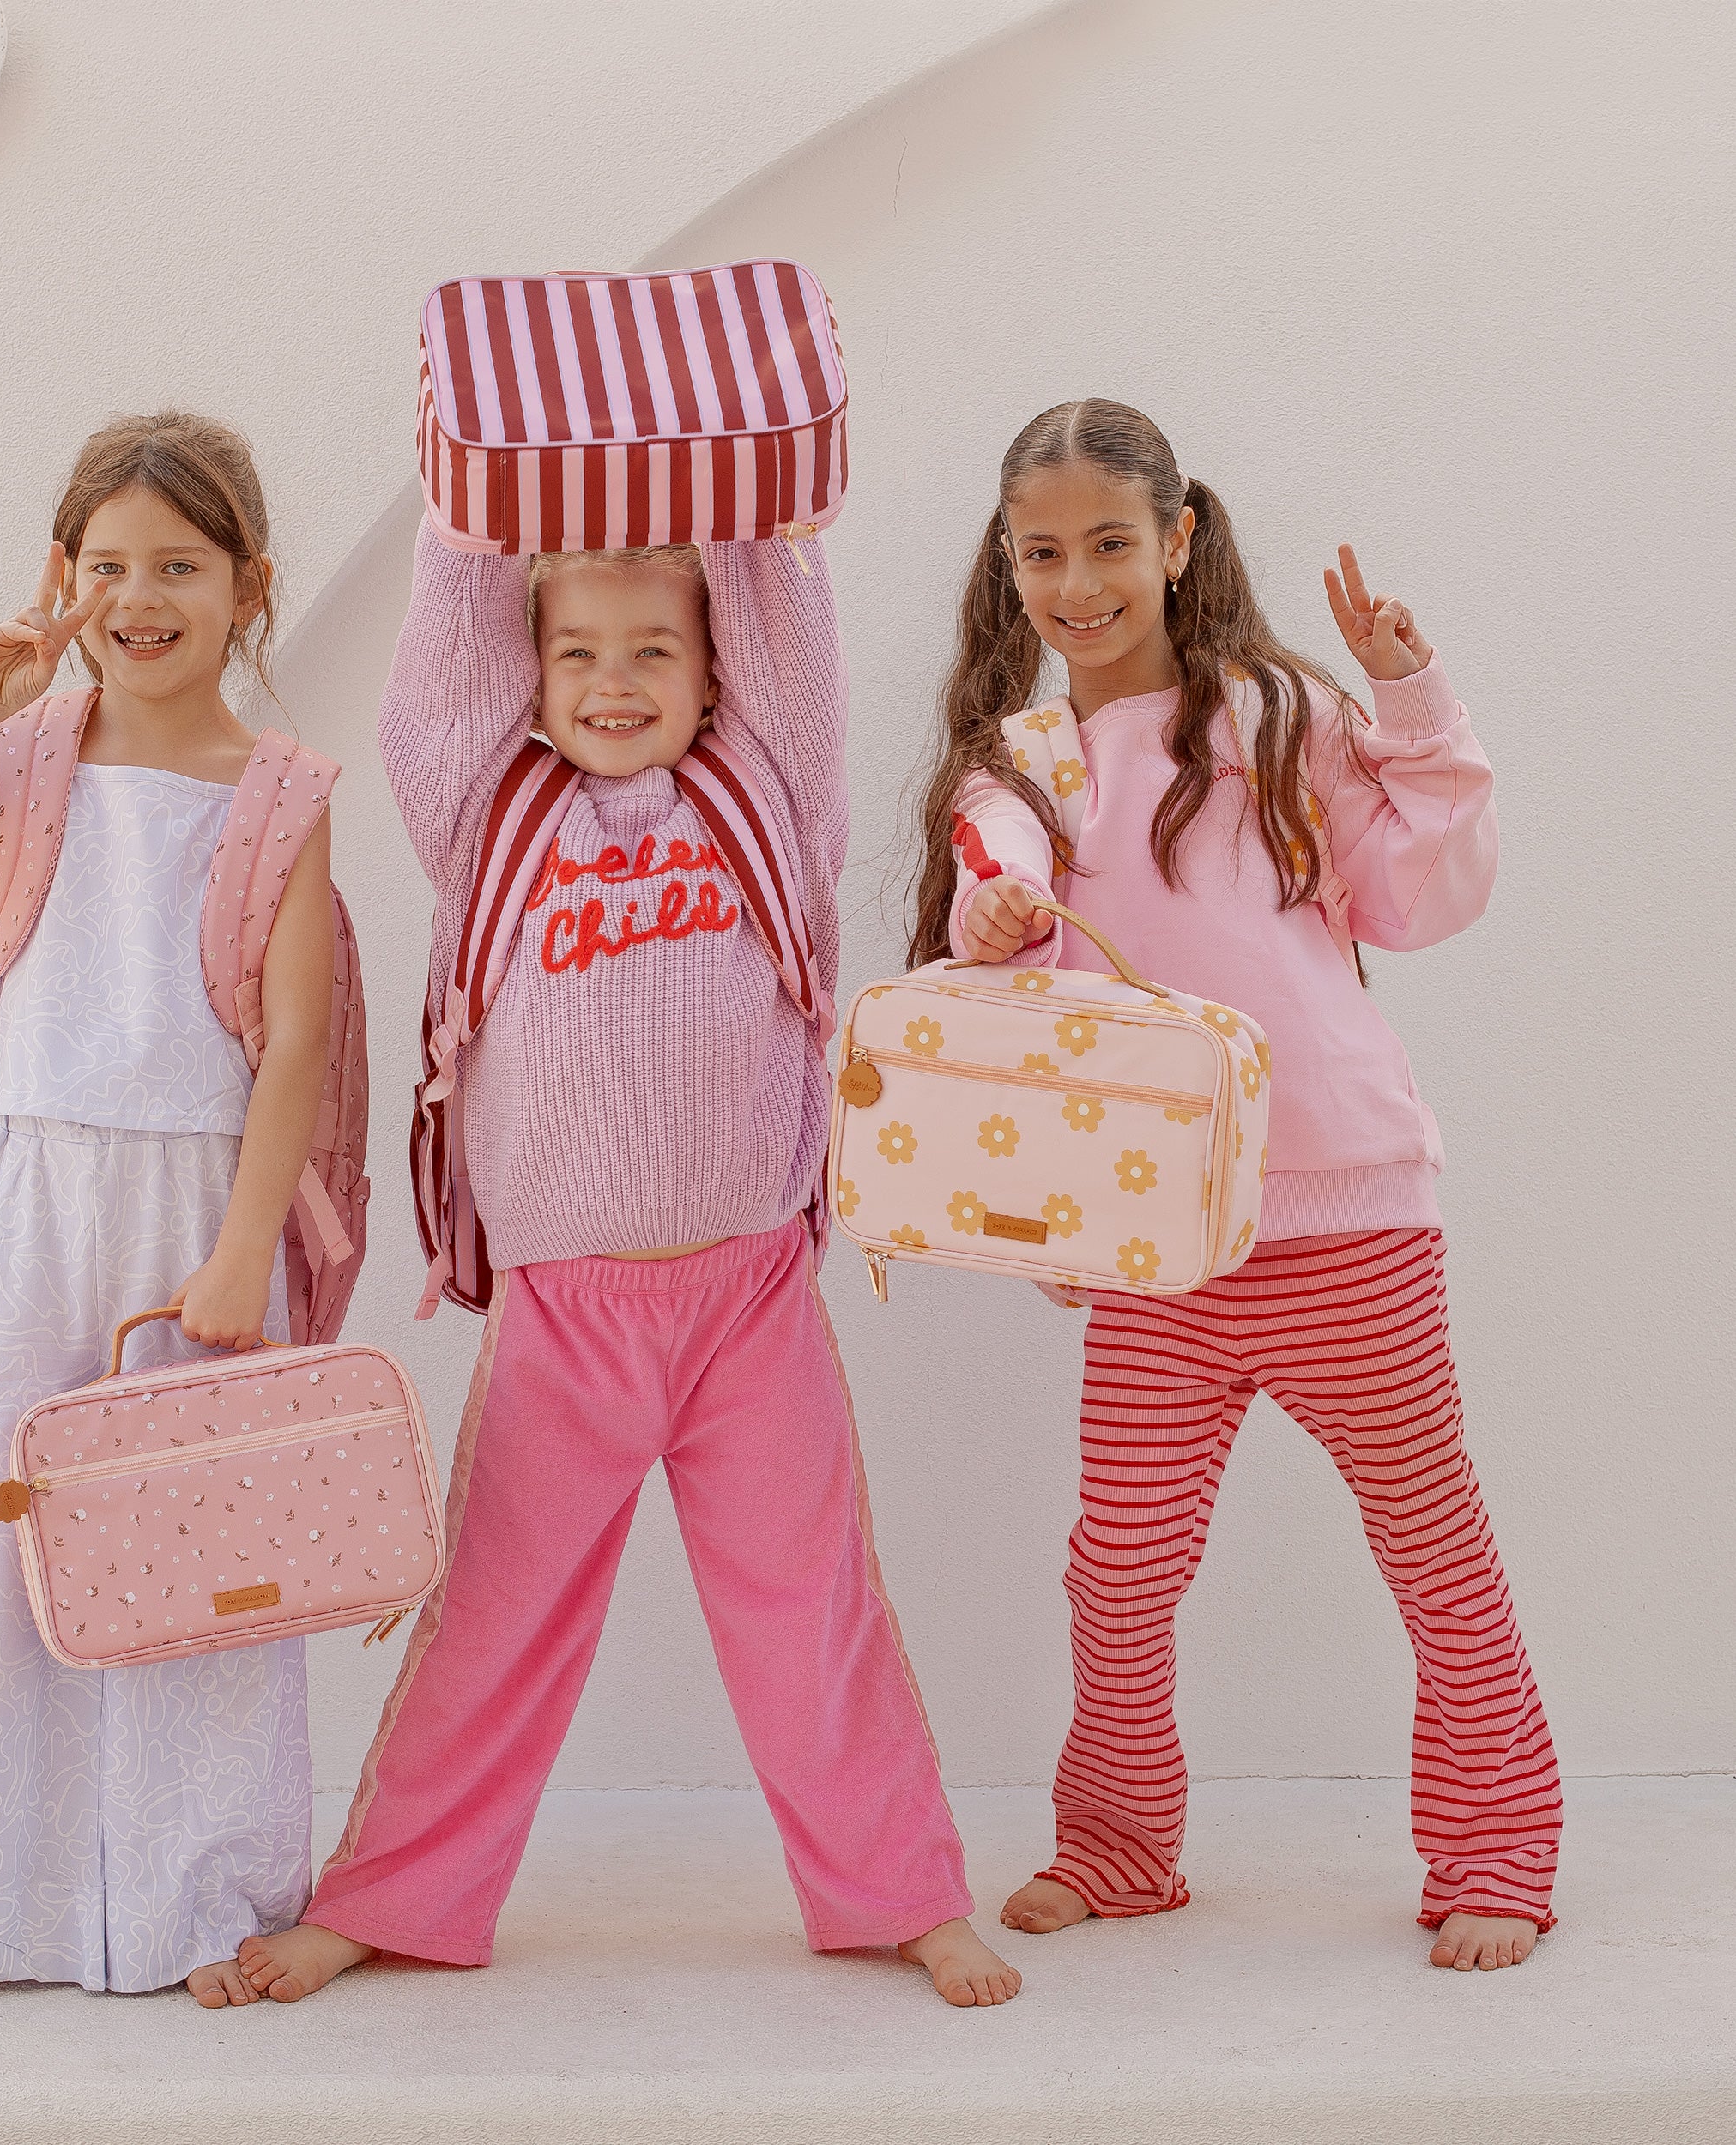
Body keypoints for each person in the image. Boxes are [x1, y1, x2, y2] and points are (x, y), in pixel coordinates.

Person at [239, 525, 1019, 2008]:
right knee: (494, 1622)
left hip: (749, 1302)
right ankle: (389, 1898)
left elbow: (792, 637)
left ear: (717, 665)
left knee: (815, 1613)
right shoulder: (491, 812)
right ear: (528, 674)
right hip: (565, 1316)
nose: (612, 681)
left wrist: (743, 512)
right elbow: (437, 687)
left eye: (654, 650)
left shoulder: (768, 796)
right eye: (577, 652)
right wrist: (474, 517)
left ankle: (902, 1894)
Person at [910, 398, 1559, 1972]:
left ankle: (1498, 1851)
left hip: (1346, 1213)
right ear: (1011, 562)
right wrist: (994, 917)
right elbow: (999, 912)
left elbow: (1420, 893)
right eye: (1044, 551)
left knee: (1430, 1538)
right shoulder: (1022, 760)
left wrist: (1408, 688)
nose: (1078, 583)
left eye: (1112, 545)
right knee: (1119, 1567)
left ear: (1179, 541)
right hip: (1162, 1246)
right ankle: (1121, 1848)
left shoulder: (1279, 712)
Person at [0, 412, 335, 2008]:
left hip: (197, 1198)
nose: (141, 595)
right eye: (107, 566)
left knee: (209, 1556)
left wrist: (247, 1246)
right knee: (4, 1543)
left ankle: (203, 1905)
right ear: (65, 579)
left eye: (179, 564)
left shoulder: (281, 787)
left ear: (250, 587)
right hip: (36, 1179)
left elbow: (297, 1036)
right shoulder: (33, 753)